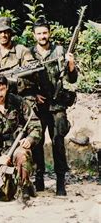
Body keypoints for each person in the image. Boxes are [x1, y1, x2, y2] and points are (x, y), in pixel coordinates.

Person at [0, 74, 41, 203]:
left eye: (2, 89)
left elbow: (35, 125)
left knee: (22, 154)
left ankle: (24, 189)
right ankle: (20, 184)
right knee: (5, 196)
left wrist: (29, 139)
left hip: (15, 148)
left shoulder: (18, 102)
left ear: (7, 88)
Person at [31, 19, 78, 195]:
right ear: (34, 35)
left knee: (58, 141)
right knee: (37, 142)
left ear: (49, 33)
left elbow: (72, 79)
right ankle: (39, 178)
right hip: (39, 106)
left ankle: (60, 182)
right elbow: (25, 80)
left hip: (57, 104)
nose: (42, 36)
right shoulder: (30, 53)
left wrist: (71, 66)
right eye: (39, 33)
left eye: (45, 32)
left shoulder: (59, 51)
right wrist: (34, 95)